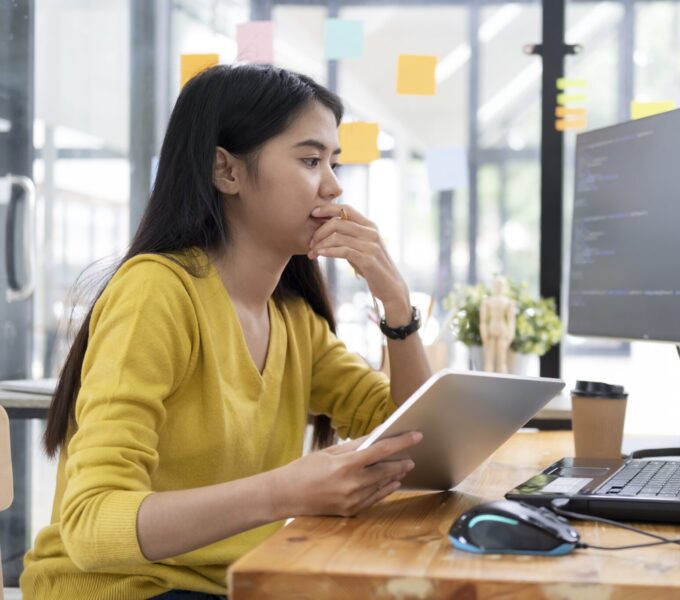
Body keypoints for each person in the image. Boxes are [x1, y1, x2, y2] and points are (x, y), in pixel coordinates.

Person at [20, 64, 431, 600]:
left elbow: (411, 439)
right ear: (226, 171)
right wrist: (283, 492)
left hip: (233, 587)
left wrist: (396, 304)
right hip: (122, 589)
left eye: (334, 162)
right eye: (310, 160)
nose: (333, 186)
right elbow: (94, 525)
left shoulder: (292, 318)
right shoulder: (157, 293)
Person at [479, 274, 516, 373]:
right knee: (488, 361)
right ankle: (487, 383)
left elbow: (511, 321)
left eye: (501, 285)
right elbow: (483, 321)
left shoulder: (508, 302)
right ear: (493, 286)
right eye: (496, 284)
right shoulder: (488, 302)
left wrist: (510, 336)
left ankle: (503, 383)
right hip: (491, 332)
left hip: (503, 332)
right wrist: (484, 336)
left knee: (502, 361)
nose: (498, 287)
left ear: (504, 287)